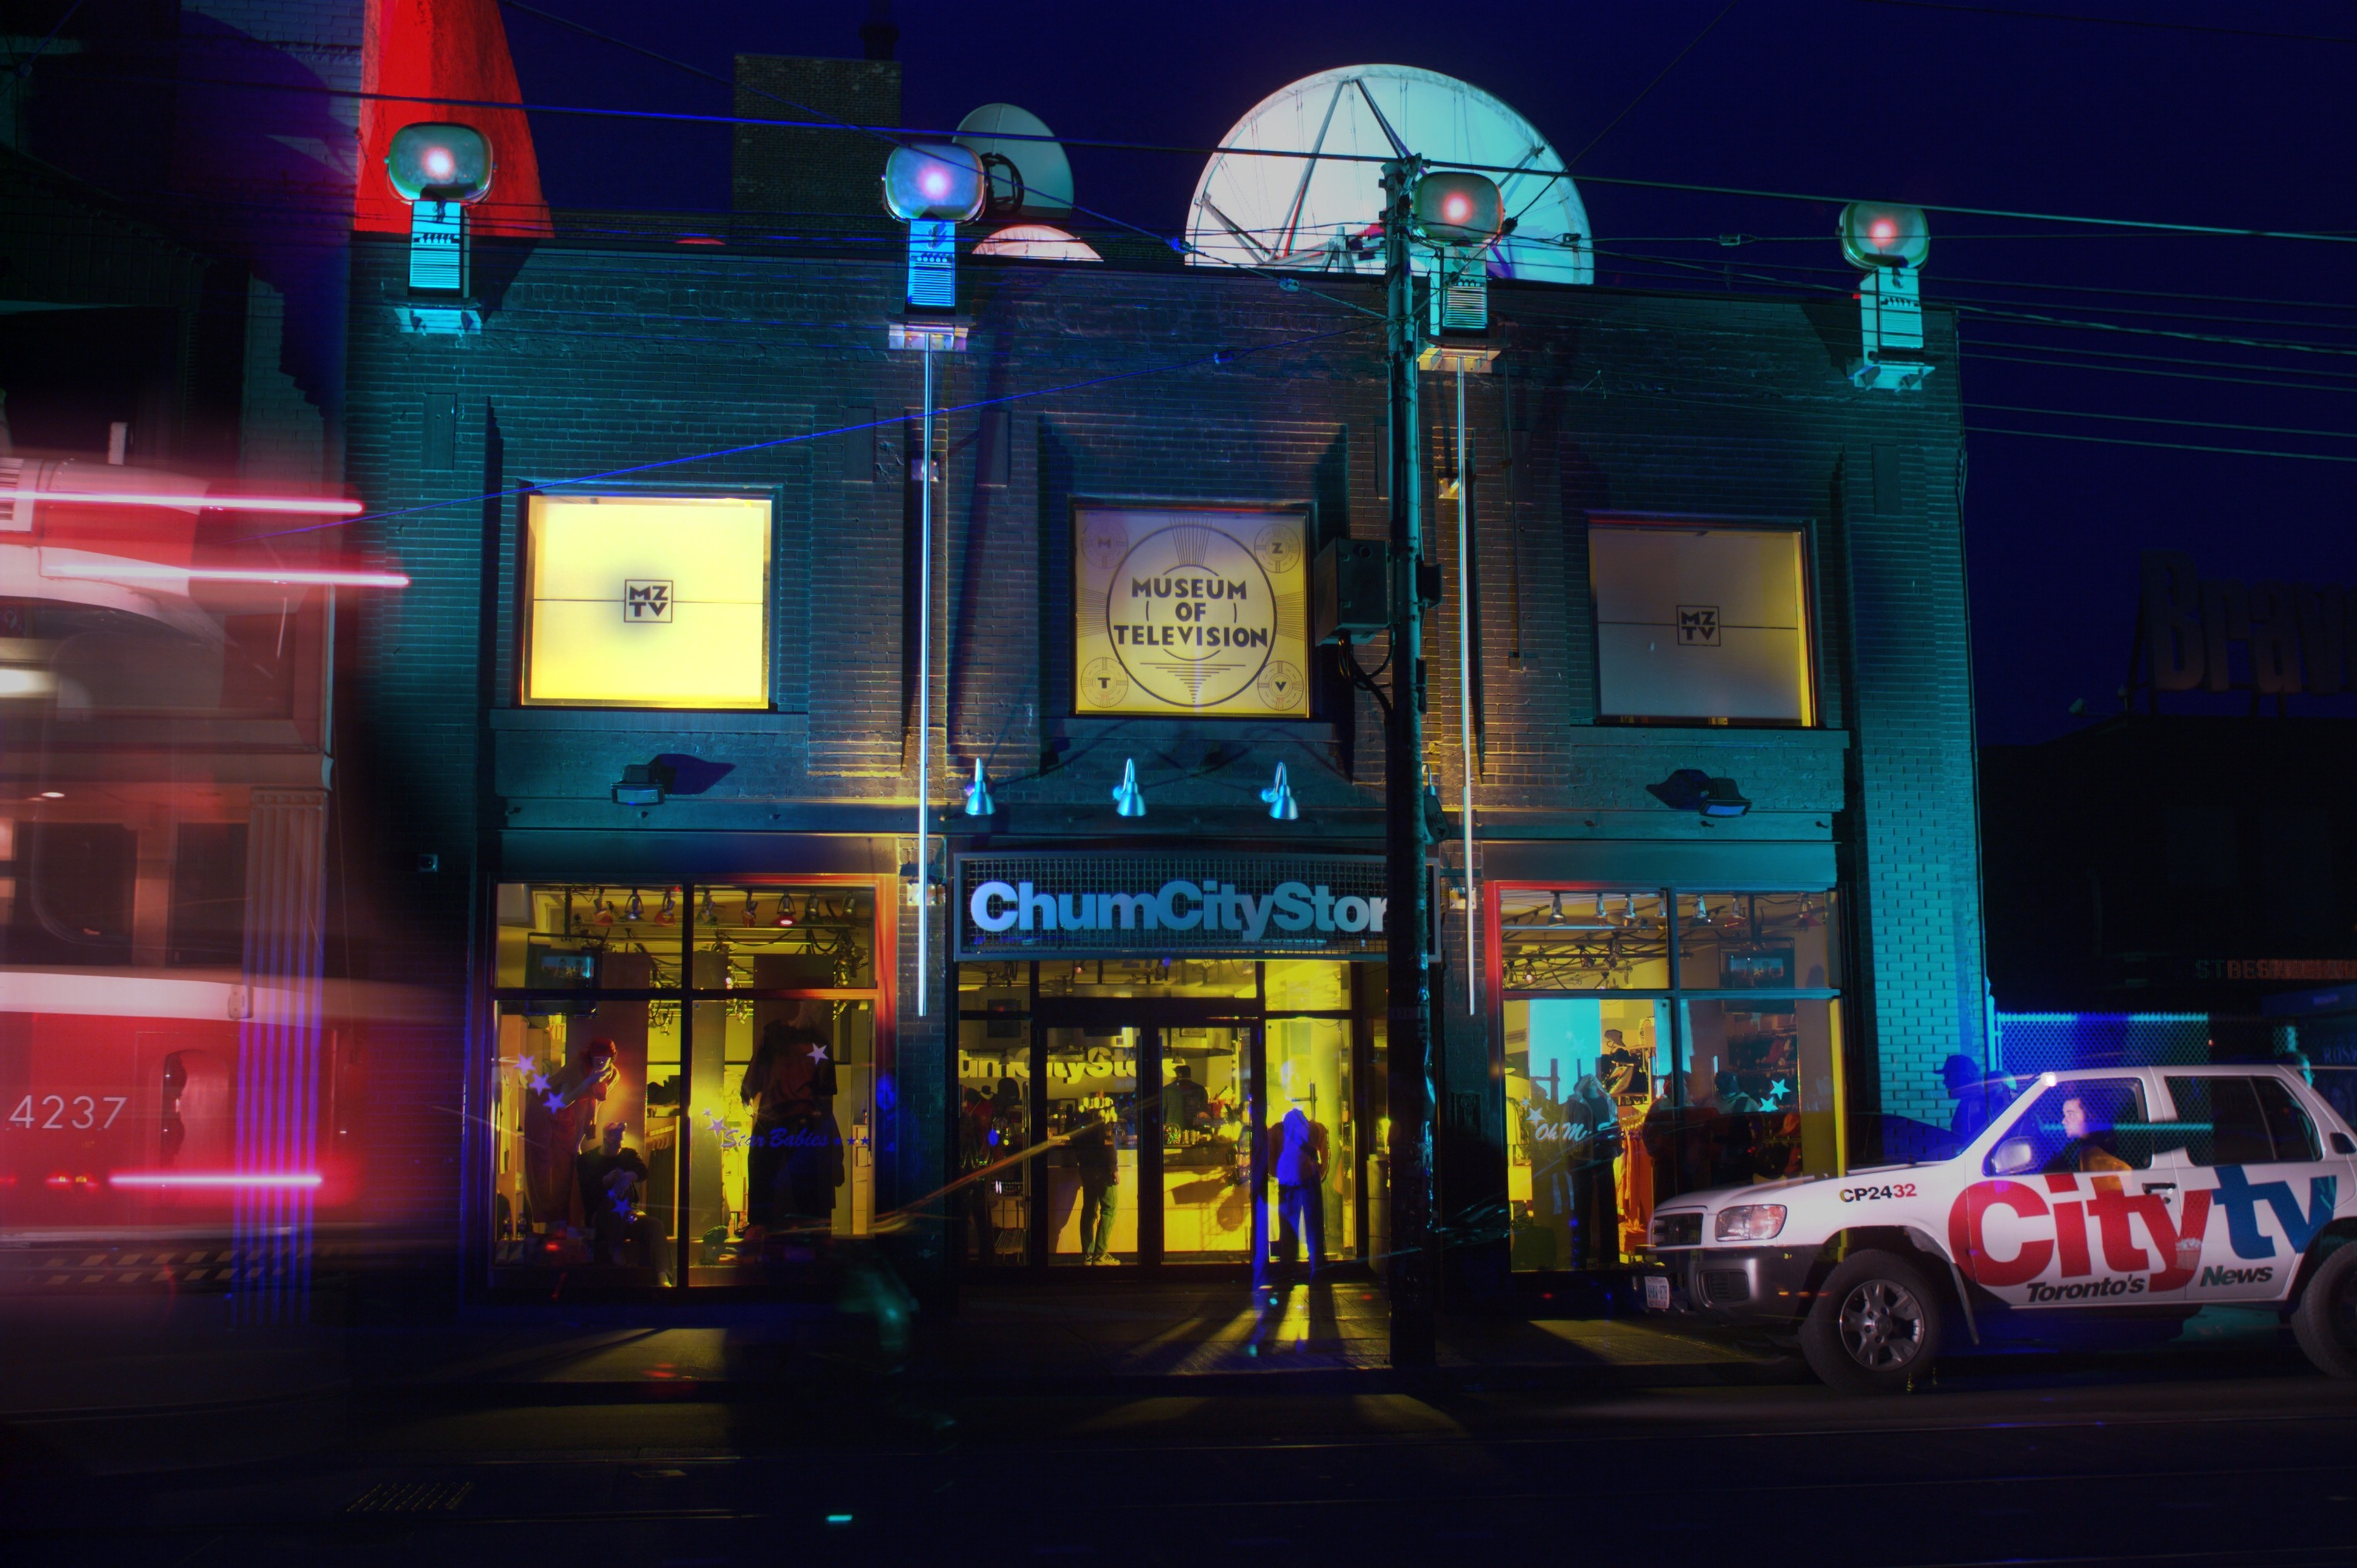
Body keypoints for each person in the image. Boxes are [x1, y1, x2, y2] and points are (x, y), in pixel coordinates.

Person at [741, 1018, 841, 1241]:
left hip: (783, 1122)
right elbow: (826, 1091)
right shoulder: (815, 1042)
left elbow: (751, 1083)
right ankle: (805, 1230)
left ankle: (768, 1227)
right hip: (801, 1124)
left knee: (771, 1176)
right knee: (802, 1185)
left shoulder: (774, 1039)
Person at [575, 1121, 651, 1266]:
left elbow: (643, 1171)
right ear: (608, 1139)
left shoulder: (628, 1155)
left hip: (629, 1216)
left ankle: (662, 1275)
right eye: (618, 1141)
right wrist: (606, 1180)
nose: (620, 1145)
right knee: (617, 1189)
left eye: (622, 1140)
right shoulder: (589, 1160)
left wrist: (628, 1176)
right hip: (600, 1216)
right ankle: (616, 1249)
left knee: (655, 1226)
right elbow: (586, 1191)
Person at [1271, 1104, 1330, 1277]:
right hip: (1310, 1179)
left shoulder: (1276, 1131)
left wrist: (1279, 1173)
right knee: (1314, 1223)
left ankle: (1288, 1263)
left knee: (1288, 1224)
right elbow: (1325, 1152)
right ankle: (1317, 1263)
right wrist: (1320, 1171)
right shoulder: (1316, 1128)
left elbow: (1270, 1159)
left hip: (1288, 1180)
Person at [1072, 1106, 1119, 1264]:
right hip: (1103, 1171)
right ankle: (1100, 1254)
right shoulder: (1104, 1125)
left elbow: (1074, 1143)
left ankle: (1088, 1255)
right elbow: (1109, 1146)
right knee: (1110, 1209)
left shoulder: (1081, 1126)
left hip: (1086, 1170)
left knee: (1089, 1210)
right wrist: (1114, 1169)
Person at [2045, 1094, 2131, 1174]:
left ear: (2091, 1117)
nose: (2064, 1121)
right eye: (2065, 1115)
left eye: (2071, 1114)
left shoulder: (2107, 1152)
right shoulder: (2072, 1150)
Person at [1943, 1054, 2015, 1145]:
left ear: (1960, 1076)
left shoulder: (1981, 1101)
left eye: (1948, 1076)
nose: (1944, 1082)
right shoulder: (1969, 1100)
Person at [1164, 1061, 1210, 1137]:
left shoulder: (1167, 1090)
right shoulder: (1200, 1089)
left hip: (1172, 1133)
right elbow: (1203, 1113)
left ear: (1177, 1074)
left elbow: (1161, 1112)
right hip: (1192, 1133)